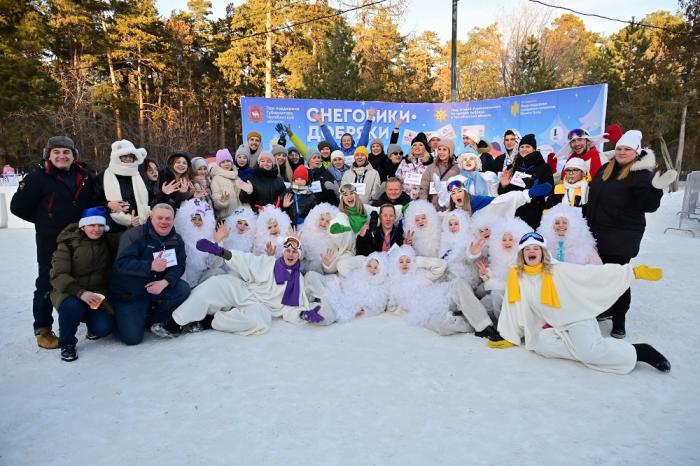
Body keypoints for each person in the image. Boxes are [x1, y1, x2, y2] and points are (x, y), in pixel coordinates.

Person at [495, 232, 671, 374]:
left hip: (577, 318)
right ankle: (584, 348)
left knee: (589, 352)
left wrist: (632, 272)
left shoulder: (558, 270)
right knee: (539, 344)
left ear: (543, 253)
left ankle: (640, 351)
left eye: (536, 248)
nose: (531, 251)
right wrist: (511, 335)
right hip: (552, 326)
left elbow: (592, 274)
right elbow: (514, 307)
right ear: (522, 254)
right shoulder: (518, 278)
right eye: (527, 249)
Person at [586, 130, 676, 338]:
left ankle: (619, 320)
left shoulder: (641, 174)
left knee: (619, 278)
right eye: (619, 148)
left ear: (636, 151)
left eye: (627, 149)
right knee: (601, 276)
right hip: (598, 231)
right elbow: (595, 198)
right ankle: (605, 309)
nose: (622, 152)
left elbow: (647, 206)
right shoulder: (605, 169)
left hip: (622, 235)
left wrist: (655, 190)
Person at [10, 135, 94, 349]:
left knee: (81, 278)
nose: (61, 156)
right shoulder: (37, 177)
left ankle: (85, 319)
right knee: (47, 284)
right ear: (49, 155)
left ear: (73, 155)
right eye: (56, 152)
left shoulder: (84, 176)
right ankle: (43, 329)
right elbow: (18, 207)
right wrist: (45, 219)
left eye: (66, 152)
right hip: (51, 241)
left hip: (79, 238)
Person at [170, 236, 324, 335]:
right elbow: (246, 261)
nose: (290, 254)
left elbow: (291, 308)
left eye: (295, 252)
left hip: (261, 308)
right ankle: (175, 322)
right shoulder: (269, 262)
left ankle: (210, 321)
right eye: (288, 250)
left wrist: (304, 314)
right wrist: (218, 251)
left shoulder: (297, 280)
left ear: (299, 256)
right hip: (245, 289)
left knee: (258, 323)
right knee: (215, 284)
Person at [109, 203, 191, 345]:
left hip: (156, 287)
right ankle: (123, 317)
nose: (164, 222)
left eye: (168, 219)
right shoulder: (134, 235)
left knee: (182, 289)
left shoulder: (176, 239)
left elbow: (179, 266)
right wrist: (150, 266)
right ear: (151, 218)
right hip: (131, 292)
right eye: (160, 218)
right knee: (132, 339)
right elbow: (121, 264)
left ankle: (150, 317)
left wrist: (165, 282)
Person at [50, 206, 115, 361]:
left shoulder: (107, 241)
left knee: (104, 327)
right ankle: (67, 343)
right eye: (92, 225)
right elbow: (59, 275)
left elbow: (129, 236)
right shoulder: (67, 245)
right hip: (70, 291)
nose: (96, 229)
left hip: (97, 294)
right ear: (83, 226)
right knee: (72, 307)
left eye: (100, 225)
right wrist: (80, 293)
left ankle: (91, 325)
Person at [94, 139, 151, 238]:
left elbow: (149, 199)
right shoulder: (102, 176)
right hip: (113, 229)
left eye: (131, 156)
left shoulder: (140, 176)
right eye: (125, 156)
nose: (128, 159)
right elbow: (93, 201)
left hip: (140, 226)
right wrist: (108, 205)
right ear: (117, 157)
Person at [498, 133, 554, 229]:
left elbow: (549, 188)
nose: (524, 149)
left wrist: (531, 187)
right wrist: (503, 186)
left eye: (528, 146)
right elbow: (503, 194)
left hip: (534, 213)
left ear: (534, 149)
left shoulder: (543, 167)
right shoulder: (513, 166)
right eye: (522, 146)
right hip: (514, 213)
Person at [173, 198, 228, 287]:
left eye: (200, 219)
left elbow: (214, 264)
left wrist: (217, 242)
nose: (197, 222)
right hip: (182, 280)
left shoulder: (209, 238)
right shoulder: (179, 238)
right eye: (194, 219)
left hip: (201, 280)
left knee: (219, 272)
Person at [419, 139, 459, 210]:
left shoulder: (456, 169)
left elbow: (458, 189)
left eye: (444, 149)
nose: (441, 152)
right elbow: (424, 187)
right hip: (432, 207)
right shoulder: (431, 167)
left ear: (450, 151)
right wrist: (424, 203)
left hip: (450, 207)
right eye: (439, 149)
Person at [300, 203, 339, 273]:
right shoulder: (306, 233)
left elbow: (332, 267)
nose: (324, 223)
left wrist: (328, 265)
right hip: (305, 271)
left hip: (323, 273)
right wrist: (296, 243)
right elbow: (299, 256)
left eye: (327, 221)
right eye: (322, 219)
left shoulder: (333, 240)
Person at [395, 132, 433, 200]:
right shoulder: (404, 162)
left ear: (425, 148)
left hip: (424, 199)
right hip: (405, 199)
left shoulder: (431, 164)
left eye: (421, 145)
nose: (417, 147)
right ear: (411, 148)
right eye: (414, 145)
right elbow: (398, 179)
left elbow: (434, 183)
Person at [210, 148, 241, 219]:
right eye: (223, 162)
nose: (226, 164)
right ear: (219, 164)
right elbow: (216, 204)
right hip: (227, 218)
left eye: (228, 161)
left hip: (240, 217)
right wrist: (222, 201)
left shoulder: (236, 176)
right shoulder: (216, 179)